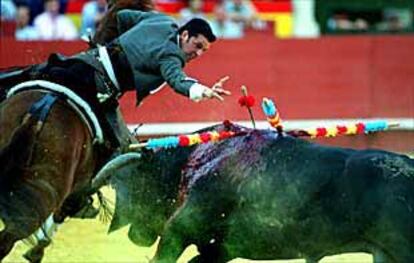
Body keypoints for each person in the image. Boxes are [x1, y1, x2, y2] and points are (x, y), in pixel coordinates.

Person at [0, 12, 231, 154]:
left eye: (204, 50)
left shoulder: (162, 21)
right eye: (197, 46)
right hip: (98, 87)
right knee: (114, 148)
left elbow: (124, 17)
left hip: (86, 61)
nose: (198, 53)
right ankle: (81, 198)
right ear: (185, 35)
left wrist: (119, 43)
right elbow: (176, 79)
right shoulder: (173, 55)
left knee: (36, 73)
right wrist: (203, 90)